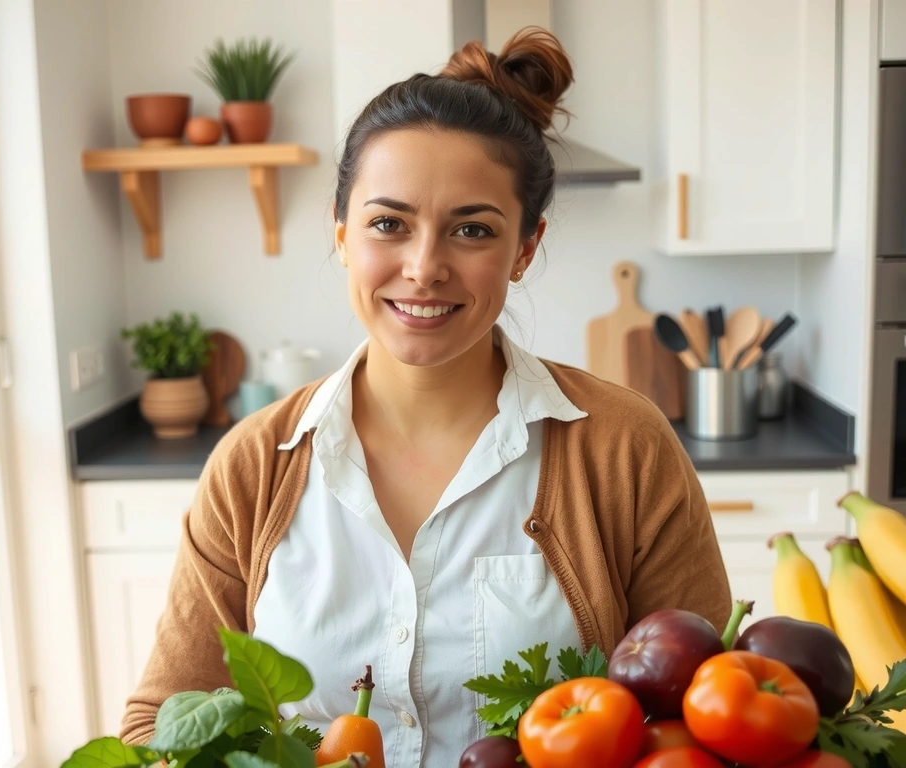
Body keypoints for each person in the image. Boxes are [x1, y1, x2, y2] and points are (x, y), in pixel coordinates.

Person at [120, 26, 731, 766]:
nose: (424, 267)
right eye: (389, 224)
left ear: (525, 249)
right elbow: (162, 722)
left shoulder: (623, 448)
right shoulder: (254, 467)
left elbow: (701, 717)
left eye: (471, 230)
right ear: (342, 233)